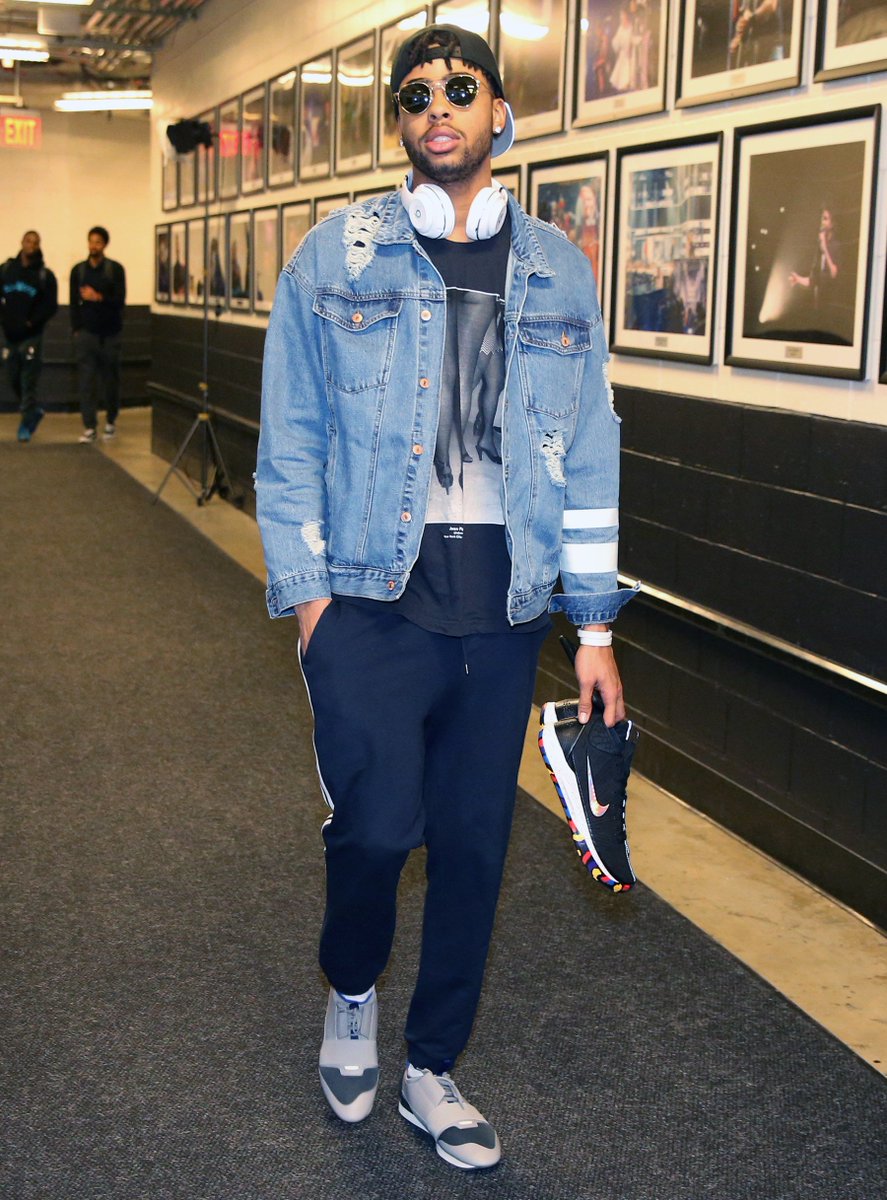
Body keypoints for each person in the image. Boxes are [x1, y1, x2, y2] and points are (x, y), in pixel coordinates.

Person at [256, 23, 635, 1171]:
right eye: (414, 93)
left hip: (502, 608)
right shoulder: (333, 258)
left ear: (497, 111)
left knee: (473, 848)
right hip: (370, 600)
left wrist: (592, 626)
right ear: (399, 121)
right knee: (376, 829)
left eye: (458, 89)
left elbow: (588, 454)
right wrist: (313, 609)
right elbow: (289, 446)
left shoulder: (557, 269)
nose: (436, 107)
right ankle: (352, 987)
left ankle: (430, 1067)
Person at [69, 226, 126, 444]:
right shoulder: (79, 271)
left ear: (104, 245)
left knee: (111, 380)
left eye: (98, 242)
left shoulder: (115, 270)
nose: (93, 246)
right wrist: (76, 329)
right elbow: (73, 303)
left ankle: (111, 421)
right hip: (87, 334)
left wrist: (98, 297)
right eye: (91, 241)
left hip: (110, 333)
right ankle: (89, 426)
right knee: (86, 382)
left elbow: (119, 300)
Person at [1, 230, 58, 443]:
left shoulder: (44, 275)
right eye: (28, 241)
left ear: (39, 245)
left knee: (28, 381)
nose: (31, 245)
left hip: (31, 336)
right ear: (22, 242)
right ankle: (33, 411)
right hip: (9, 335)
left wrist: (31, 322)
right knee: (12, 376)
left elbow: (50, 306)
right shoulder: (7, 269)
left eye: (35, 242)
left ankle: (25, 423)